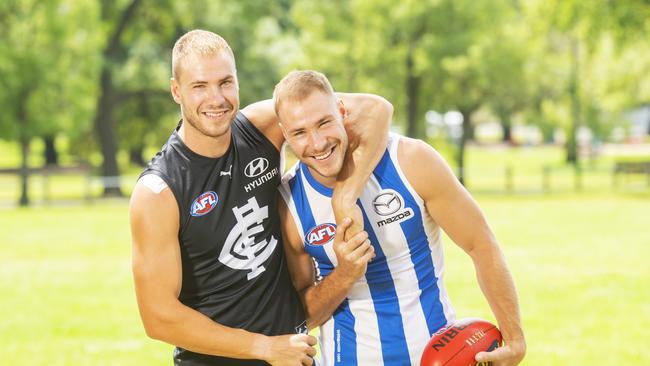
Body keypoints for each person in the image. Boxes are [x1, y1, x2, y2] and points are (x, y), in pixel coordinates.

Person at [129, 30, 391, 366]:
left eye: (226, 82)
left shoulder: (261, 127)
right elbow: (158, 318)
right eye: (200, 86)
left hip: (293, 353)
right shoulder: (159, 191)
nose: (217, 98)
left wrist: (345, 197)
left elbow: (375, 109)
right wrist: (265, 348)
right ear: (176, 90)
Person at [275, 70, 526, 366]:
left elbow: (481, 245)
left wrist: (514, 338)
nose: (317, 143)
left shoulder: (409, 160)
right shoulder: (288, 203)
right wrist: (345, 274)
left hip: (436, 356)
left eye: (324, 122)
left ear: (342, 111)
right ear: (285, 133)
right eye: (300, 132)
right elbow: (303, 315)